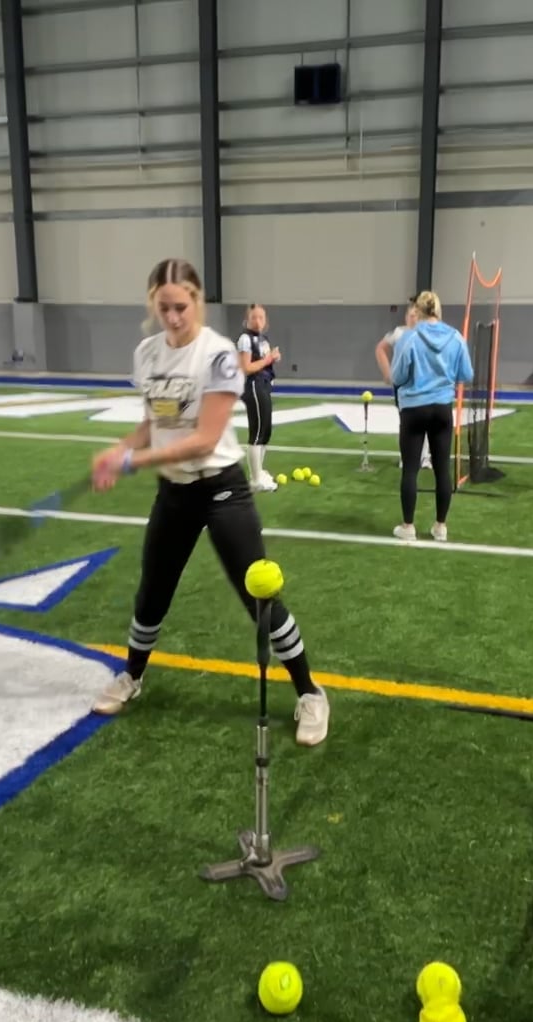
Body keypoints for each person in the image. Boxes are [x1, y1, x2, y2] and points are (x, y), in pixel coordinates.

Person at [88, 258, 331, 746]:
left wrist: (135, 462)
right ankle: (132, 675)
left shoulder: (218, 355)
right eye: (163, 307)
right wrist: (121, 448)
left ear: (197, 301)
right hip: (173, 494)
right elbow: (154, 422)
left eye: (181, 306)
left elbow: (203, 439)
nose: (172, 317)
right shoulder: (147, 353)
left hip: (222, 490)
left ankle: (310, 693)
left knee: (259, 597)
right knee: (152, 592)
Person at [389, 290, 472, 543]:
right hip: (442, 408)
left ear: (419, 310)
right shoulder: (455, 337)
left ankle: (408, 526)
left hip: (413, 409)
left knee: (410, 469)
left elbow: (397, 376)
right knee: (442, 469)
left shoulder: (409, 337)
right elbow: (466, 374)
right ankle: (440, 526)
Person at [375, 302, 430, 471]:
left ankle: (424, 458)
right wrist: (387, 373)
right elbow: (380, 348)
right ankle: (406, 457)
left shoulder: (427, 333)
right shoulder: (399, 333)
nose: (413, 318)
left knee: (425, 420)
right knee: (406, 421)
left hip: (423, 384)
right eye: (411, 315)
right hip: (403, 385)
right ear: (406, 317)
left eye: (417, 315)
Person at [235, 305, 281, 491]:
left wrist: (272, 359)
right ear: (247, 319)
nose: (258, 321)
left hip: (264, 385)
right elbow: (246, 368)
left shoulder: (263, 339)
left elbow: (264, 362)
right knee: (258, 432)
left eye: (261, 317)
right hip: (253, 386)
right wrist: (268, 359)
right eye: (254, 317)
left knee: (266, 432)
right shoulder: (245, 339)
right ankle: (255, 480)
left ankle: (259, 472)